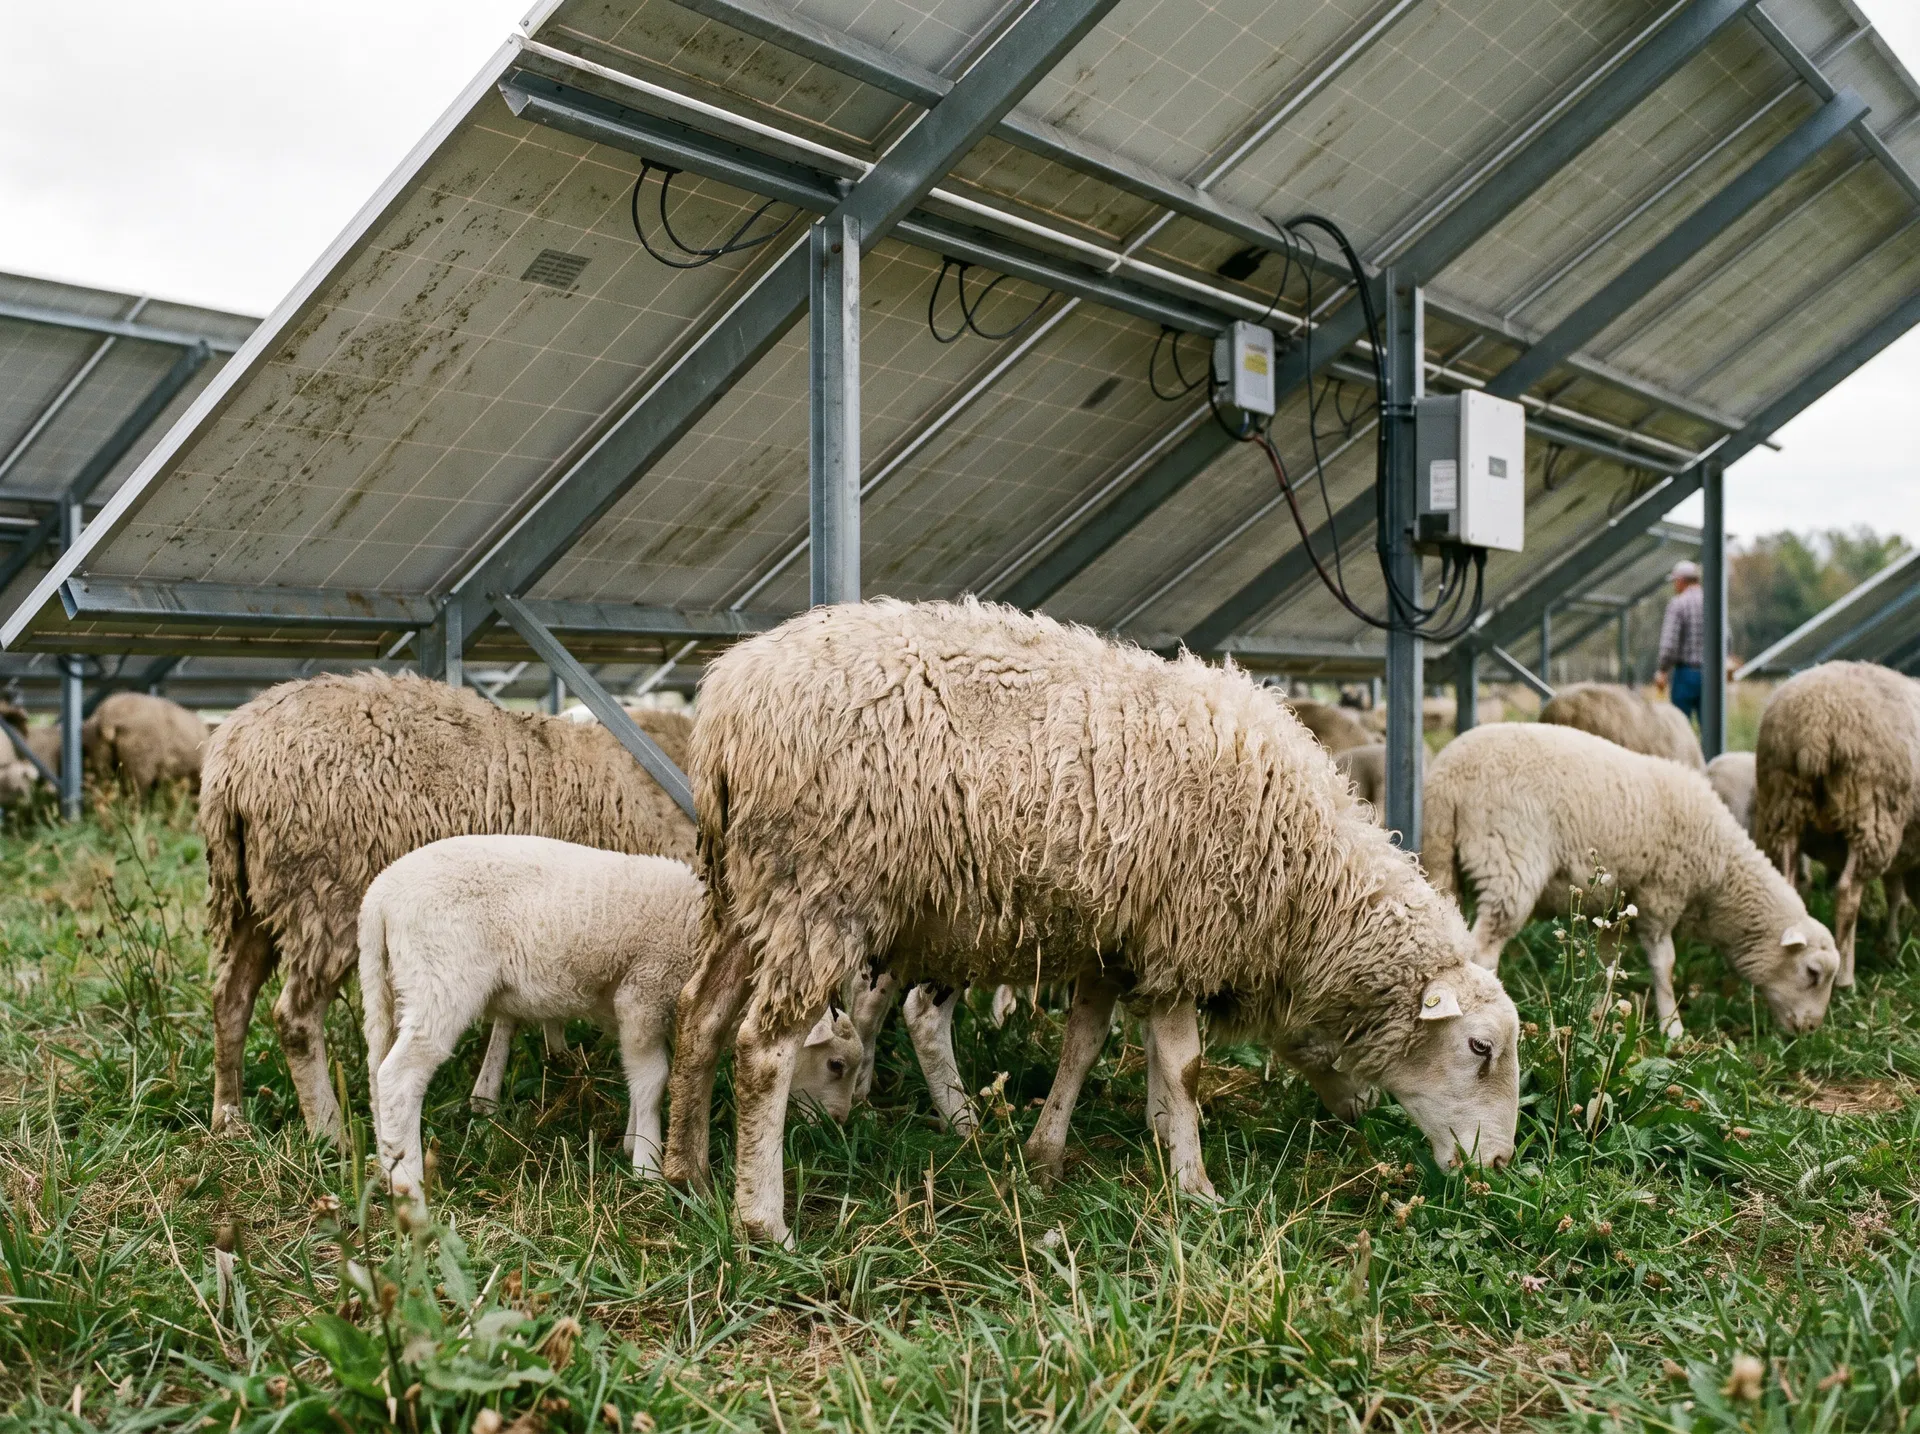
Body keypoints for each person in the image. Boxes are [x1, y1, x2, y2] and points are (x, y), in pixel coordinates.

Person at [1655, 559, 1703, 725]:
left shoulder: (1678, 604)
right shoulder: (1712, 602)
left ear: (1681, 580)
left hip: (1686, 674)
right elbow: (1727, 638)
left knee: (1681, 726)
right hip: (1711, 675)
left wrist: (1662, 670)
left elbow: (1669, 643)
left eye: (1675, 581)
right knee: (1710, 728)